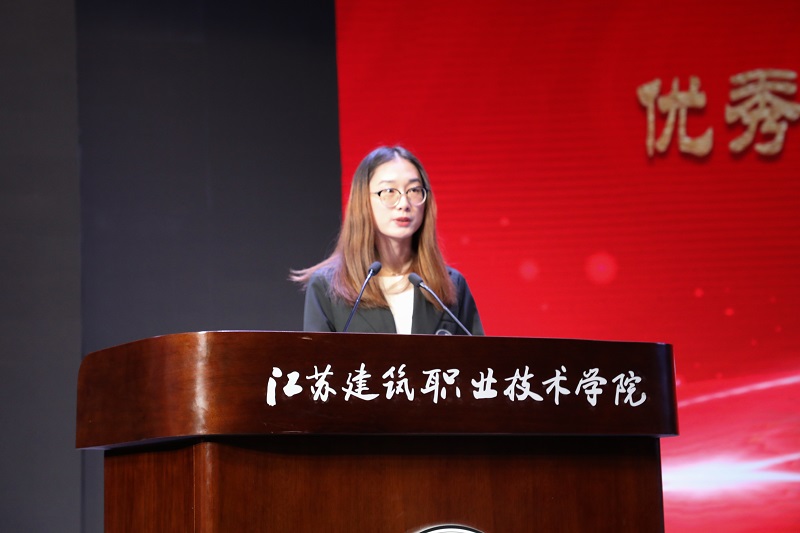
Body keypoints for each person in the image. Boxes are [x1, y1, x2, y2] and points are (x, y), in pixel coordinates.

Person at [290, 145, 483, 335]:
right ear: (363, 201)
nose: (404, 203)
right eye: (389, 191)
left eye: (414, 190)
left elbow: (477, 353)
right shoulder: (327, 287)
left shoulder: (451, 285)